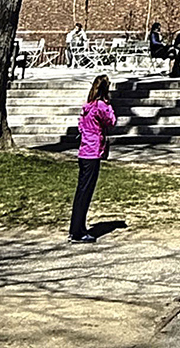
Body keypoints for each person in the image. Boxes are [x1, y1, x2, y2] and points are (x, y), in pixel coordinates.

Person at [69, 73, 116, 243]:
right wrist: (109, 105)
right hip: (93, 152)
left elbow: (81, 125)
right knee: (86, 192)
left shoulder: (87, 107)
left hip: (84, 151)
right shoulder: (101, 106)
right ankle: (77, 232)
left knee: (81, 191)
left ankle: (77, 227)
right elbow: (111, 121)